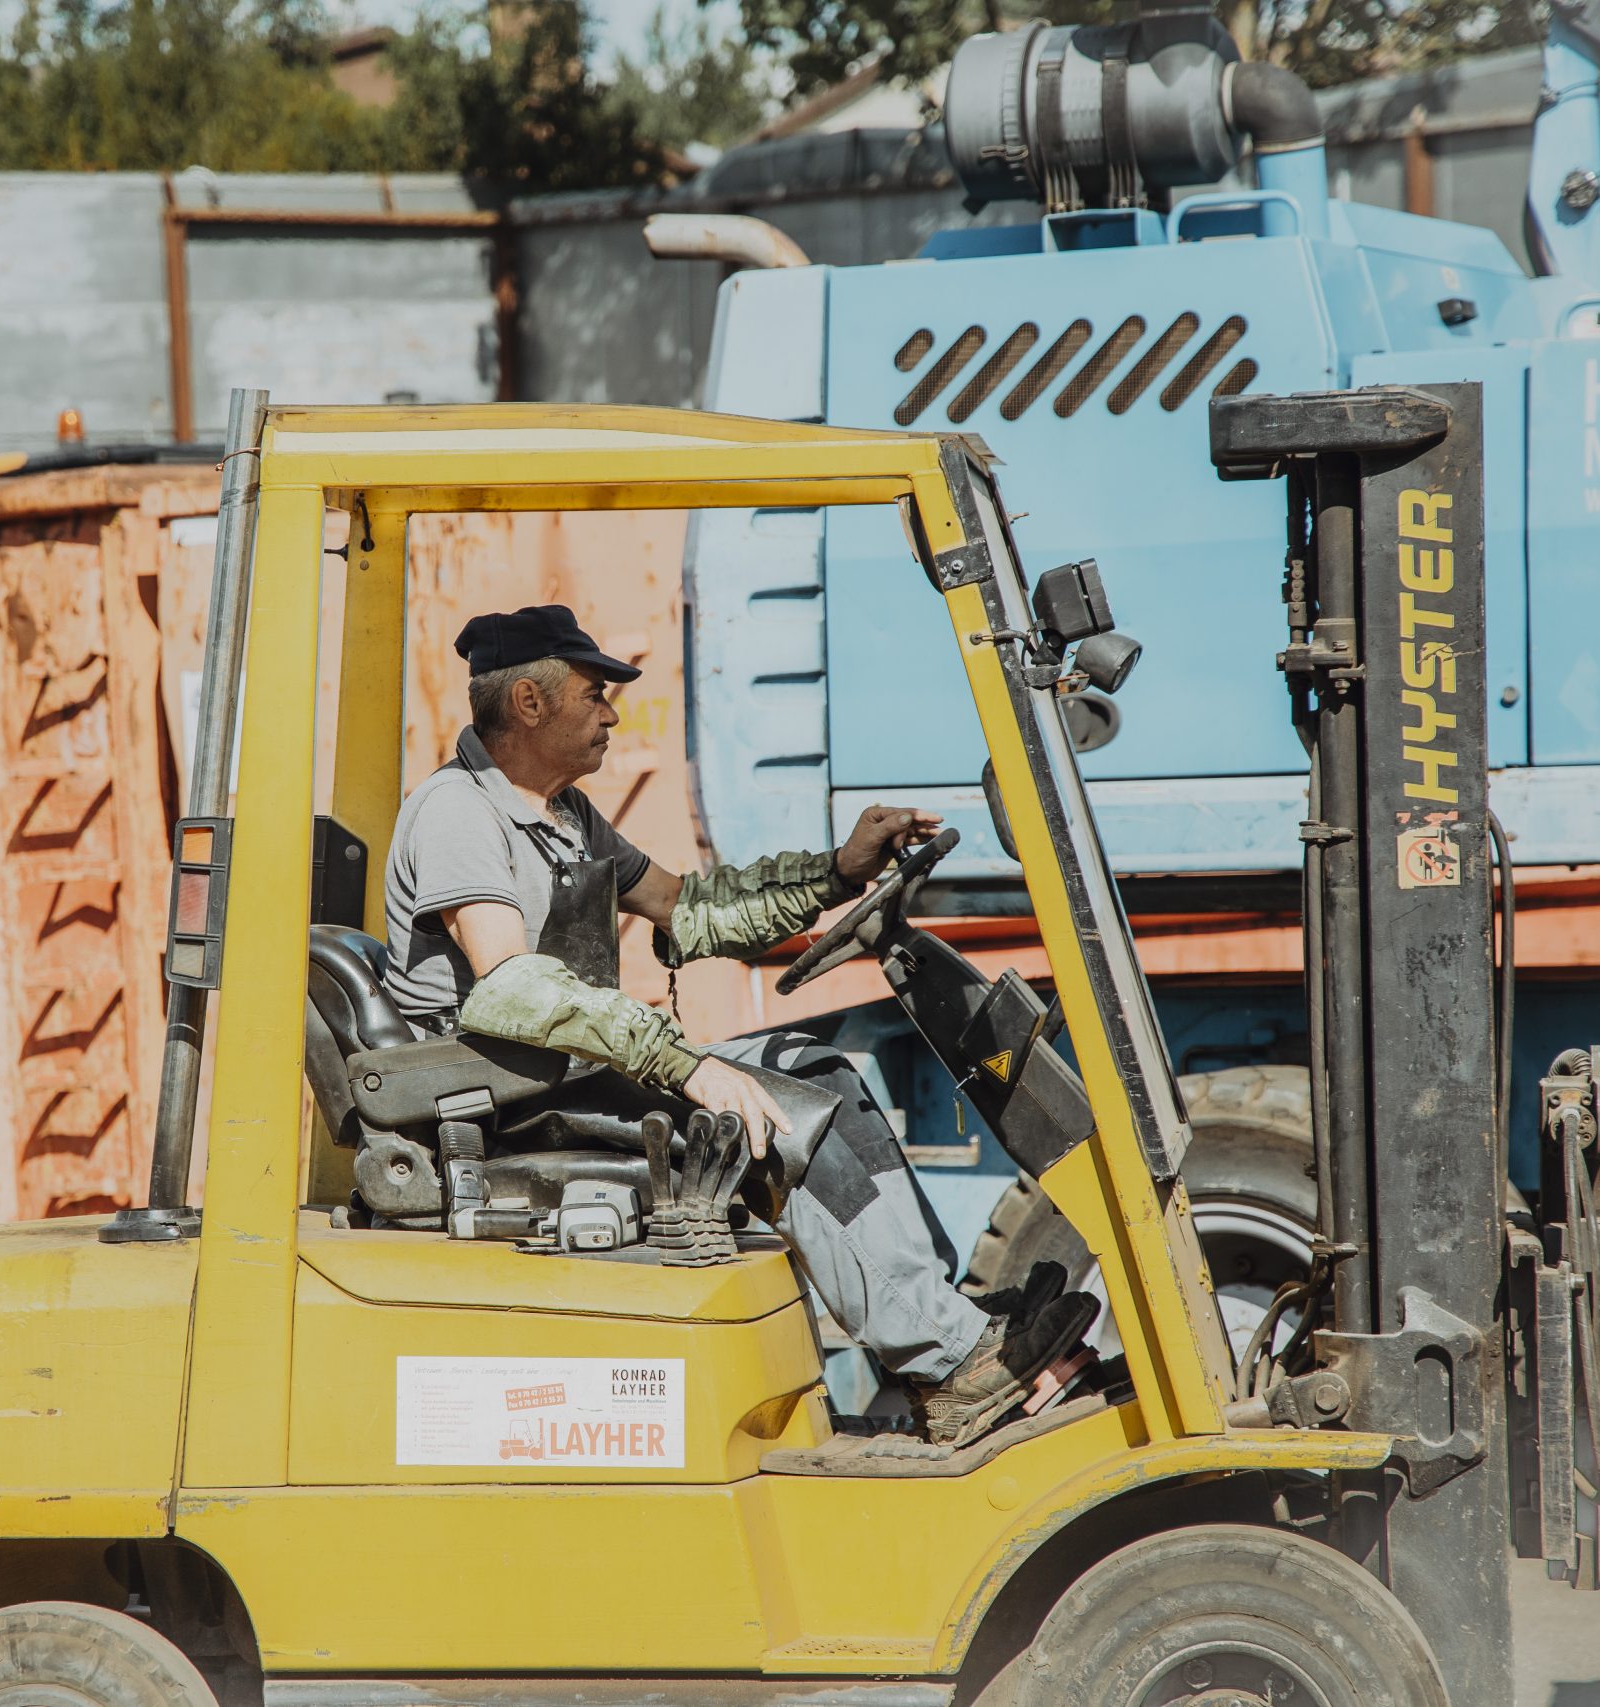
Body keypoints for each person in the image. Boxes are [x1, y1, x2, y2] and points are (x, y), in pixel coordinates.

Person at [380, 603, 1097, 1445]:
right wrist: (687, 1064)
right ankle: (947, 1358)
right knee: (775, 1112)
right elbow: (509, 986)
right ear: (530, 703)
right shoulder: (459, 811)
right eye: (594, 693)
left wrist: (837, 872)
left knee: (817, 1069)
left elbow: (685, 908)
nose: (612, 713)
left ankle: (942, 1323)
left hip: (565, 1073)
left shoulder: (565, 817)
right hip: (504, 1100)